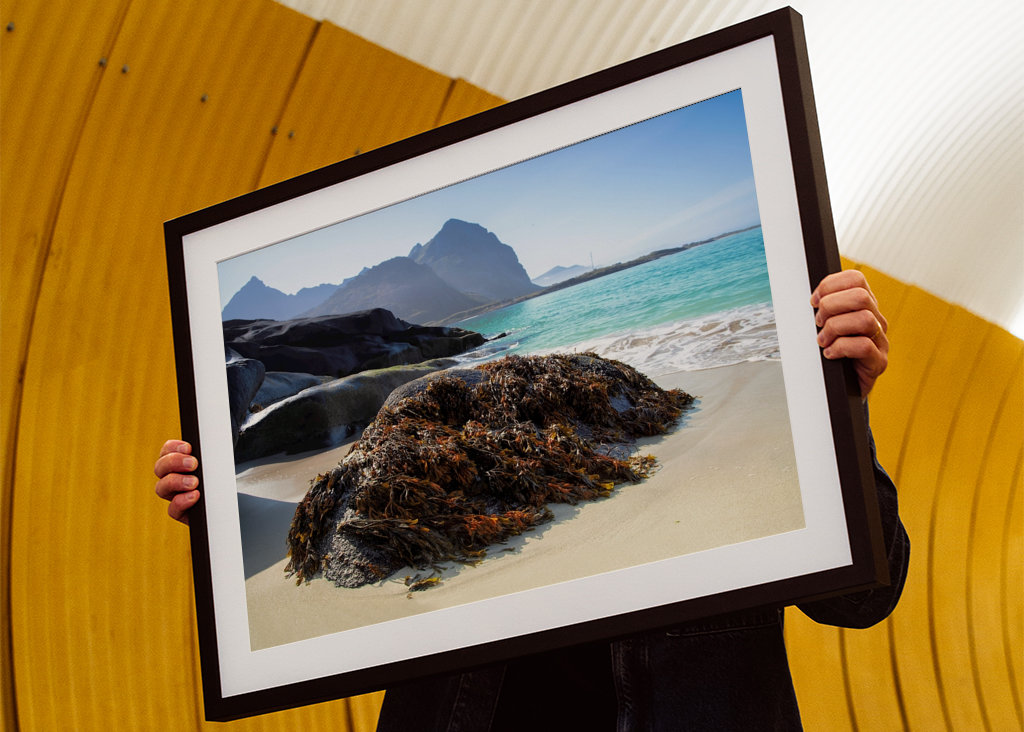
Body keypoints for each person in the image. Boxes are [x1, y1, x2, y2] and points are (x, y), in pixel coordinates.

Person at [155, 269, 908, 730]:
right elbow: (352, 560)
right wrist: (218, 512)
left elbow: (864, 598)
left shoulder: (757, 457)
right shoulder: (417, 498)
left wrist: (840, 404)